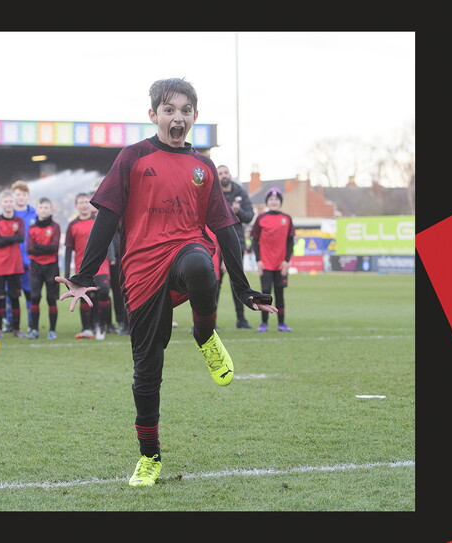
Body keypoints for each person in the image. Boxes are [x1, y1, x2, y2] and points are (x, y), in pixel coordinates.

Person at [55, 78, 276, 487]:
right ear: (153, 114)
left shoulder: (204, 167)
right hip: (140, 273)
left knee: (200, 267)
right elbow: (105, 215)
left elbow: (225, 227)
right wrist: (85, 275)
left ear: (195, 116)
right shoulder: (133, 157)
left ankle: (205, 335)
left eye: (186, 110)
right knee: (147, 371)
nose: (178, 117)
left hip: (186, 249)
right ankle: (149, 456)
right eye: (169, 110)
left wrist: (244, 288)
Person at [63, 192, 114, 340]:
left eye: (87, 202)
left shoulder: (98, 221)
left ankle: (102, 326)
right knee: (84, 295)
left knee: (103, 291)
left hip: (101, 264)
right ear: (76, 206)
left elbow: (107, 238)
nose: (84, 205)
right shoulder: (72, 225)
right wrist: (67, 272)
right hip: (82, 267)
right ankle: (87, 328)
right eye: (81, 202)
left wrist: (111, 257)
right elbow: (68, 249)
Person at [249, 187, 295, 332]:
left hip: (281, 264)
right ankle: (263, 323)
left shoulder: (287, 219)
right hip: (266, 263)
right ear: (267, 202)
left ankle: (281, 324)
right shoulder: (261, 218)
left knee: (280, 293)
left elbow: (290, 242)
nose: (273, 202)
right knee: (264, 292)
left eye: (276, 200)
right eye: (271, 200)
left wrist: (287, 261)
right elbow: (255, 240)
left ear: (280, 202)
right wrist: (258, 260)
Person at [217, 165, 256, 329]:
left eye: (225, 172)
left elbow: (249, 217)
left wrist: (238, 211)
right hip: (215, 244)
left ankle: (241, 319)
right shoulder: (213, 192)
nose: (223, 176)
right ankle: (208, 322)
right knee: (212, 284)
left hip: (236, 243)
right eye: (220, 173)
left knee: (237, 282)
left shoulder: (240, 192)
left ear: (230, 175)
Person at [0, 190, 27, 338]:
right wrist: (12, 238)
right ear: (0, 204)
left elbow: (21, 238)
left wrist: (4, 239)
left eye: (11, 201)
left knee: (15, 296)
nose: (8, 204)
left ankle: (17, 329)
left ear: (14, 203)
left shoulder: (19, 221)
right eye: (5, 201)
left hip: (15, 264)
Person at [25, 197, 62, 339]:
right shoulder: (32, 227)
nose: (44, 210)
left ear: (51, 210)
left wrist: (38, 247)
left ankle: (52, 330)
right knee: (35, 297)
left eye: (47, 207)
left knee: (51, 299)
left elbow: (54, 248)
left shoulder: (55, 226)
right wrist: (44, 249)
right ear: (37, 209)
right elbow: (29, 249)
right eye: (41, 207)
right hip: (35, 266)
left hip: (51, 266)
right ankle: (34, 330)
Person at [11, 180, 38, 331]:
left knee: (30, 294)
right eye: (18, 195)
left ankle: (30, 323)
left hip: (30, 262)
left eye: (23, 195)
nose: (20, 197)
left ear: (27, 196)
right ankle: (11, 323)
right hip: (12, 262)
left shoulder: (35, 214)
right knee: (12, 295)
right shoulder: (7, 215)